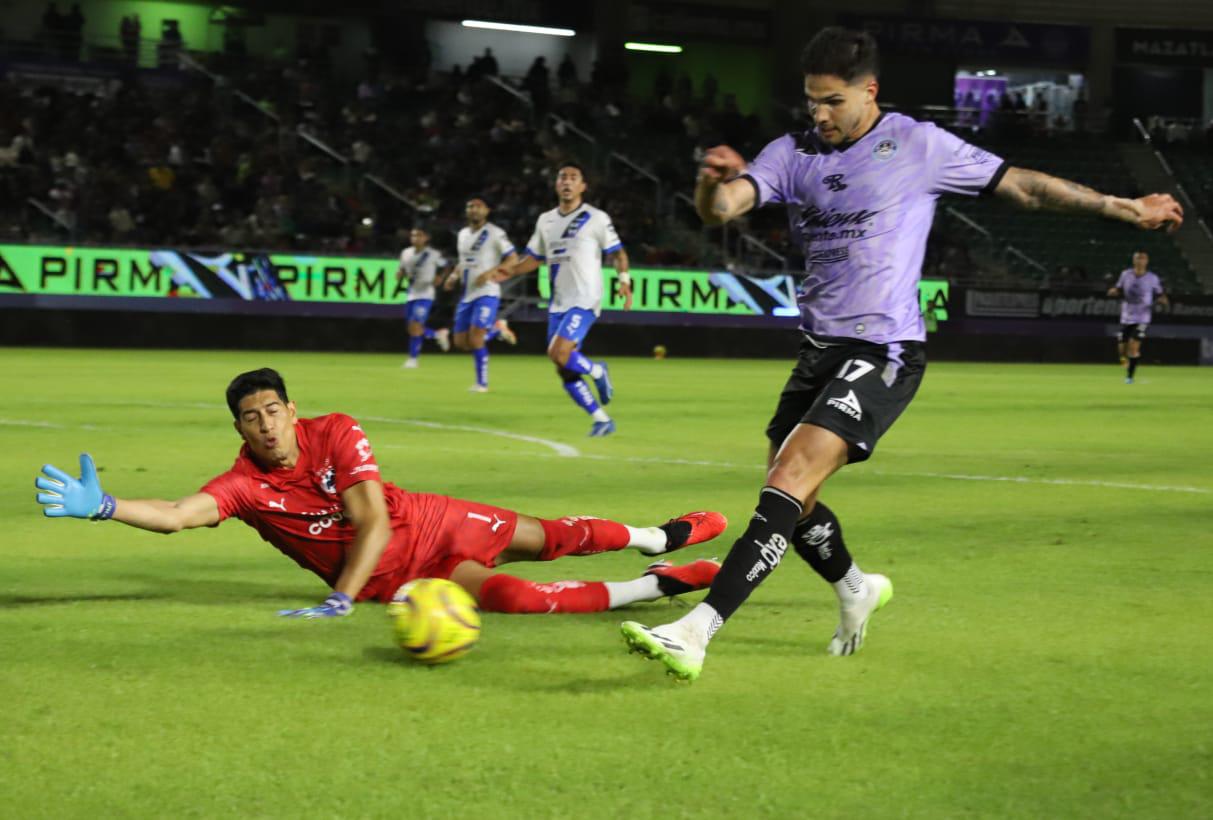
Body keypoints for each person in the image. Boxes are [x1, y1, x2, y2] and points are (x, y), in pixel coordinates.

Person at [620, 26, 1184, 681]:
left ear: (869, 92)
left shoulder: (916, 145)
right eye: (811, 101)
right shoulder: (790, 151)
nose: (819, 115)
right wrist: (707, 181)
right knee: (790, 496)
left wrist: (1124, 206)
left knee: (788, 477)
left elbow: (1021, 186)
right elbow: (722, 208)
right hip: (819, 350)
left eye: (832, 101)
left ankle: (696, 630)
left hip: (885, 347)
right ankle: (855, 586)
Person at [35, 368, 728, 619]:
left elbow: (368, 520)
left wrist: (338, 596)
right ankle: (658, 585)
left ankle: (658, 536)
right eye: (251, 416)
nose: (267, 424)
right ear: (239, 427)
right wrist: (107, 506)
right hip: (396, 579)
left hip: (427, 524)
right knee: (513, 598)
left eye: (274, 409)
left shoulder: (336, 430)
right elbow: (179, 515)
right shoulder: (244, 485)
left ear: (291, 408)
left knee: (549, 538)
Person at [480, 163, 632, 437]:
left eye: (574, 178)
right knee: (563, 367)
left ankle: (598, 371)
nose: (567, 182)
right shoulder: (545, 220)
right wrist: (508, 270)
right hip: (558, 302)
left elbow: (618, 253)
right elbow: (534, 260)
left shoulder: (596, 218)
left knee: (558, 352)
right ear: (556, 184)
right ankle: (601, 420)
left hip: (585, 298)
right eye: (563, 177)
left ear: (583, 187)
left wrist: (624, 282)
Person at [443, 196, 519, 392]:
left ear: (487, 210)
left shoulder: (495, 233)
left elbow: (513, 258)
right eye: (470, 207)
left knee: (476, 339)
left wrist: (491, 272)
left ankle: (482, 383)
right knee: (461, 342)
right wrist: (453, 276)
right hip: (467, 294)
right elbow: (463, 261)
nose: (474, 210)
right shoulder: (462, 234)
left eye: (478, 207)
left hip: (487, 292)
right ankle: (497, 329)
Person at [1108, 251, 1168, 384]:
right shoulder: (1125, 274)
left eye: (1143, 258)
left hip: (1143, 317)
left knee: (1133, 346)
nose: (1140, 261)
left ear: (1147, 261)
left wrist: (1163, 300)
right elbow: (1118, 288)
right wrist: (1114, 291)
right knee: (1122, 350)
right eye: (1138, 258)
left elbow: (1160, 293)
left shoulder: (1152, 278)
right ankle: (1125, 361)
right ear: (1133, 260)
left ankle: (1129, 377)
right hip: (1126, 316)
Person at [396, 226, 450, 369]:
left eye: (419, 235)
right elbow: (401, 269)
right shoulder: (406, 253)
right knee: (412, 328)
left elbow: (446, 266)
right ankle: (437, 334)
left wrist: (440, 277)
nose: (415, 238)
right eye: (413, 235)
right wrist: (399, 274)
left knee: (415, 325)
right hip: (411, 293)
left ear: (426, 238)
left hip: (425, 294)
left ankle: (413, 359)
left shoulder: (433, 254)